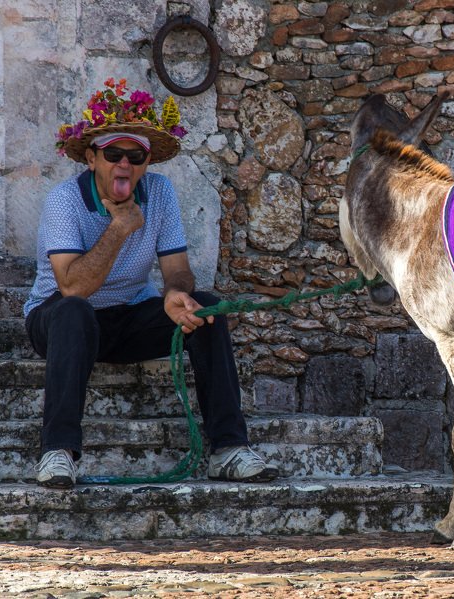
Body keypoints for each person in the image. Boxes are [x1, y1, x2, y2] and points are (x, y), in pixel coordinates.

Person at [24, 78, 278, 488]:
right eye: (114, 153)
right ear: (92, 158)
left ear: (146, 163)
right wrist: (119, 227)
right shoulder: (64, 199)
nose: (125, 165)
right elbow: (72, 287)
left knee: (206, 308)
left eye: (135, 156)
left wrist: (177, 294)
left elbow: (177, 267)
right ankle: (58, 451)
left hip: (127, 317)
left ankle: (229, 448)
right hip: (61, 322)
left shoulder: (159, 192)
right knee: (74, 311)